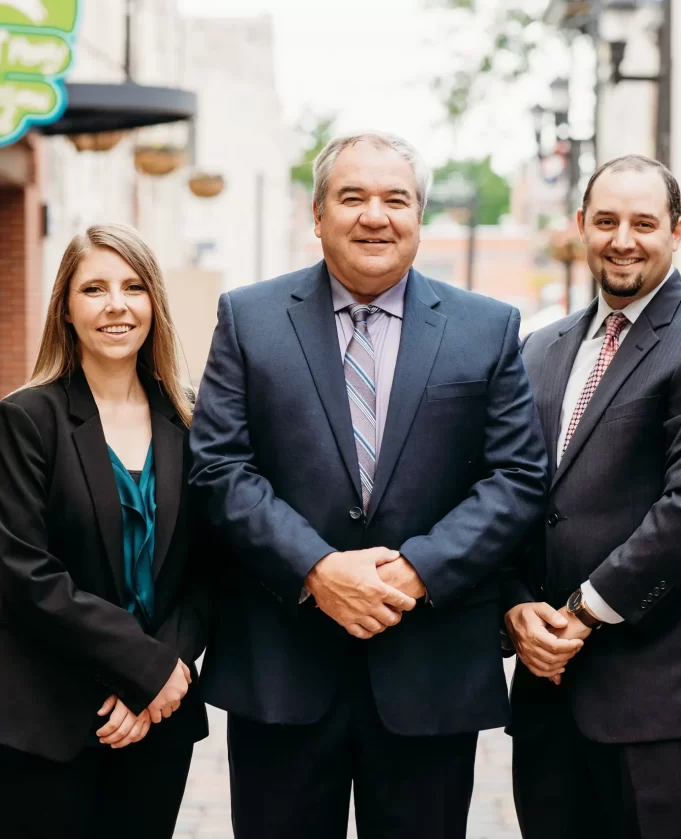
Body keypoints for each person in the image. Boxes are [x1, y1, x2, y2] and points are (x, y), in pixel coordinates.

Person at [190, 131, 547, 839]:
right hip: (281, 667)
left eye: (396, 199)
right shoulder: (248, 318)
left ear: (420, 216)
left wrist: (418, 569)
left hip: (430, 671)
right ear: (317, 215)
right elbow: (219, 466)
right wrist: (317, 569)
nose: (375, 215)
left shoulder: (488, 327)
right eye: (352, 197)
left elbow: (516, 476)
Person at [504, 155, 681, 839]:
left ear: (677, 230)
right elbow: (508, 493)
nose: (623, 238)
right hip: (549, 692)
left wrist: (583, 613)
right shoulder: (539, 349)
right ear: (581, 228)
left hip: (667, 696)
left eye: (644, 222)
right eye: (607, 221)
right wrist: (514, 605)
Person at [0, 223, 210, 839]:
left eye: (134, 287)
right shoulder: (26, 418)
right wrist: (146, 668)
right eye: (94, 288)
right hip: (38, 712)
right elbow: (30, 576)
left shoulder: (194, 422)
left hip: (159, 715)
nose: (116, 305)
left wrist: (164, 674)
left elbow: (214, 571)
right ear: (66, 308)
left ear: (155, 305)